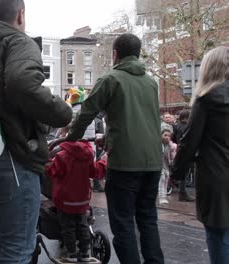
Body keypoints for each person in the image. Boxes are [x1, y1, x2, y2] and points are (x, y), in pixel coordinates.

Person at [0, 0, 72, 262]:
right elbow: (22, 83)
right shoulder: (20, 42)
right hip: (15, 157)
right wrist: (63, 112)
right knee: (18, 248)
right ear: (21, 15)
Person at [49, 33, 164, 263]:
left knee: (123, 224)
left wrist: (71, 138)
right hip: (153, 162)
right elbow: (140, 119)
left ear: (115, 54)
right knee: (148, 220)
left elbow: (86, 113)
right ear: (138, 53)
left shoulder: (111, 79)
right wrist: (109, 136)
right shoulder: (151, 82)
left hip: (125, 163)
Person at [171, 46, 229, 264]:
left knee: (218, 234)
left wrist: (177, 171)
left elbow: (188, 142)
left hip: (216, 175)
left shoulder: (206, 100)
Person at [45, 141, 107, 262]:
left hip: (65, 199)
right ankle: (84, 252)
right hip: (82, 200)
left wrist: (46, 158)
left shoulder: (61, 156)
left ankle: (71, 253)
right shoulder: (87, 156)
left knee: (68, 227)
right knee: (83, 225)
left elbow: (51, 170)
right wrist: (104, 161)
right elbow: (95, 171)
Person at [171, 109, 195, 202]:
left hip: (179, 150)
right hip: (186, 151)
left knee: (183, 173)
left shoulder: (177, 126)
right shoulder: (186, 126)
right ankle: (182, 192)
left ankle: (182, 192)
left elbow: (174, 139)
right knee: (184, 174)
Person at [158, 127, 176, 204]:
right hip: (159, 166)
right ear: (161, 135)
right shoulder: (158, 144)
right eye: (165, 135)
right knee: (162, 180)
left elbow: (172, 156)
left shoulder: (170, 146)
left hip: (166, 166)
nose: (167, 137)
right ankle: (161, 198)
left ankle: (164, 196)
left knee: (165, 180)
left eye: (169, 136)